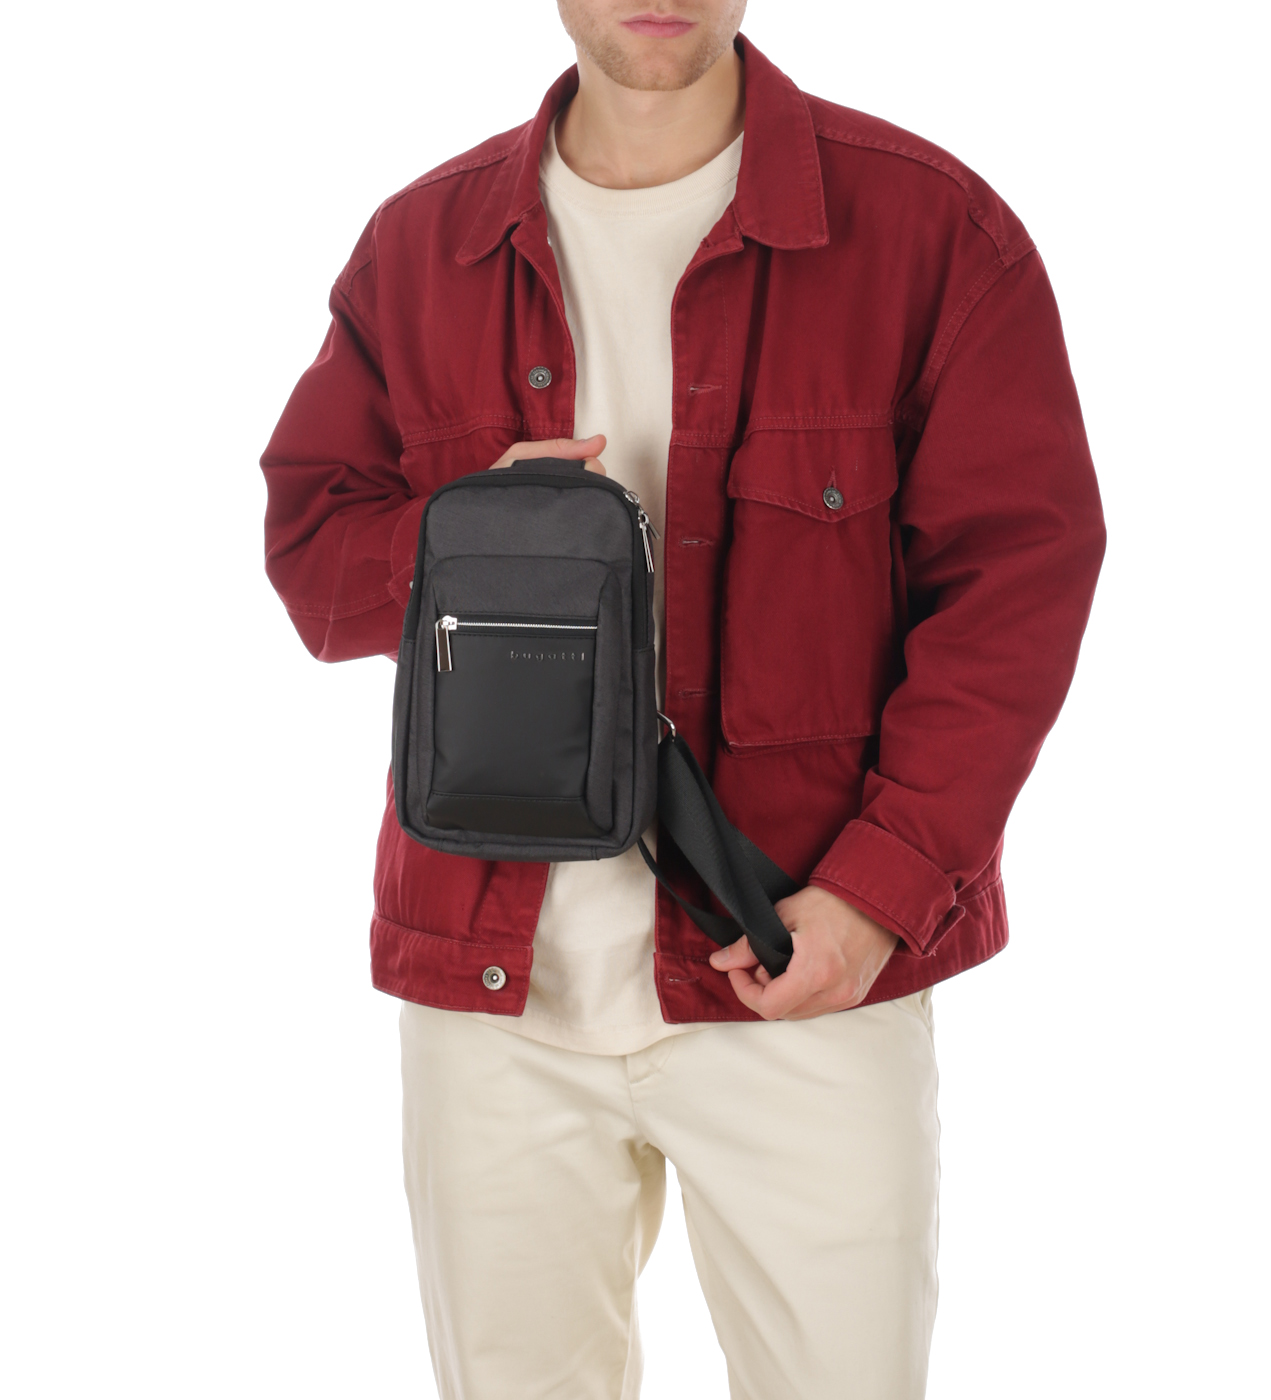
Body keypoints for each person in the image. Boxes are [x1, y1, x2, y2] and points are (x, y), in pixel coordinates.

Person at [261, 4, 1106, 1396]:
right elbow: (313, 560)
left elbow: (1018, 583)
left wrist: (880, 894)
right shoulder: (421, 248)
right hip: (495, 996)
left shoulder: (930, 232)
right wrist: (475, 534)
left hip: (800, 965)